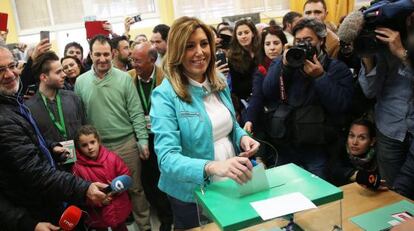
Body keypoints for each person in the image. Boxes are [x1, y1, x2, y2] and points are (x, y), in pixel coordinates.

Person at [150, 16, 260, 230]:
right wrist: (212, 167)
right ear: (177, 51)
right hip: (192, 195)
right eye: (190, 46)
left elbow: (228, 125)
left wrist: (243, 137)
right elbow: (167, 158)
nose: (200, 52)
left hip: (230, 181)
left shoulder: (218, 80)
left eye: (204, 43)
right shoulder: (164, 95)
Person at [0, 45, 107, 231]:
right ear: (43, 77)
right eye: (1, 70)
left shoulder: (15, 103)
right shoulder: (10, 114)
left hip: (54, 191)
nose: (10, 74)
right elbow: (33, 170)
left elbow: (30, 143)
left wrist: (51, 148)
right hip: (33, 205)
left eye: (12, 65)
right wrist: (83, 188)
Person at [75, 35, 151, 231]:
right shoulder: (80, 82)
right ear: (90, 55)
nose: (102, 59)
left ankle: (145, 227)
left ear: (113, 54)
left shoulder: (125, 78)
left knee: (135, 189)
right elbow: (81, 119)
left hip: (126, 144)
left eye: (106, 54)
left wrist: (142, 140)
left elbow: (135, 111)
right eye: (97, 54)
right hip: (97, 151)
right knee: (104, 193)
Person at [262, 18, 353, 178]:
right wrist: (283, 65)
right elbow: (268, 92)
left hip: (318, 150)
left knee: (318, 197)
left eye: (308, 40)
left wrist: (320, 77)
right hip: (286, 147)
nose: (303, 44)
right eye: (298, 41)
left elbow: (341, 105)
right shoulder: (286, 63)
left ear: (321, 40)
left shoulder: (336, 68)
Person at [128, 41, 173, 231]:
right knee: (148, 181)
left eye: (138, 61)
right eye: (132, 60)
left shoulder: (167, 78)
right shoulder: (128, 78)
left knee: (165, 177)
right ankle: (161, 214)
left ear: (152, 61)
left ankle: (168, 218)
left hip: (163, 136)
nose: (134, 65)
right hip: (141, 137)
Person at [26, 51, 85, 170]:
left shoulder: (73, 98)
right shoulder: (29, 109)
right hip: (51, 171)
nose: (64, 75)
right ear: (44, 77)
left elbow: (84, 127)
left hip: (82, 166)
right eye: (58, 72)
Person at [72, 125, 132, 231]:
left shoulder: (112, 158)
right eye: (84, 145)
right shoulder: (77, 167)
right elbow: (79, 192)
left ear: (98, 141)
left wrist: (117, 187)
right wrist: (98, 201)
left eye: (92, 142)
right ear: (78, 147)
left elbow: (126, 175)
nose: (90, 147)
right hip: (96, 213)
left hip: (117, 206)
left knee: (121, 227)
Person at [227, 18, 261, 124]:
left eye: (246, 32)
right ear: (236, 37)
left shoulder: (261, 51)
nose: (243, 36)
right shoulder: (232, 57)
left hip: (263, 98)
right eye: (240, 34)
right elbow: (236, 87)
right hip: (245, 103)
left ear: (253, 33)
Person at [329, 119, 380, 188]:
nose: (354, 142)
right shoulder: (339, 149)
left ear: (372, 141)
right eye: (352, 136)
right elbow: (335, 171)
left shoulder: (380, 156)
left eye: (362, 138)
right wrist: (359, 176)